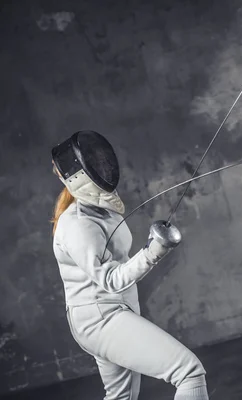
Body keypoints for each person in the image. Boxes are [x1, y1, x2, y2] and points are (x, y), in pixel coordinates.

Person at [50, 130, 209, 400]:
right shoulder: (77, 224)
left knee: (121, 398)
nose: (103, 165)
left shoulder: (99, 211)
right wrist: (152, 252)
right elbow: (110, 279)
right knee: (189, 373)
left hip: (113, 312)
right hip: (101, 320)